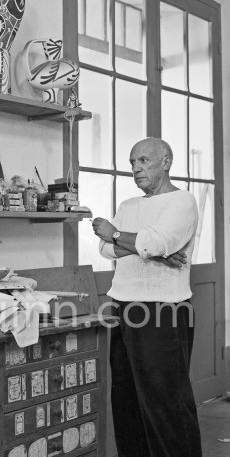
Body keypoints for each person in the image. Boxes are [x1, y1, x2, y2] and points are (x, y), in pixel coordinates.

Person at [91, 137, 202, 457]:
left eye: (143, 161)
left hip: (164, 309)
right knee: (126, 399)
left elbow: (150, 241)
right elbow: (106, 249)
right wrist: (154, 252)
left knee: (167, 403)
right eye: (132, 163)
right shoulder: (129, 206)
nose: (136, 169)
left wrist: (117, 233)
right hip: (122, 306)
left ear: (166, 162)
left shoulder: (182, 201)